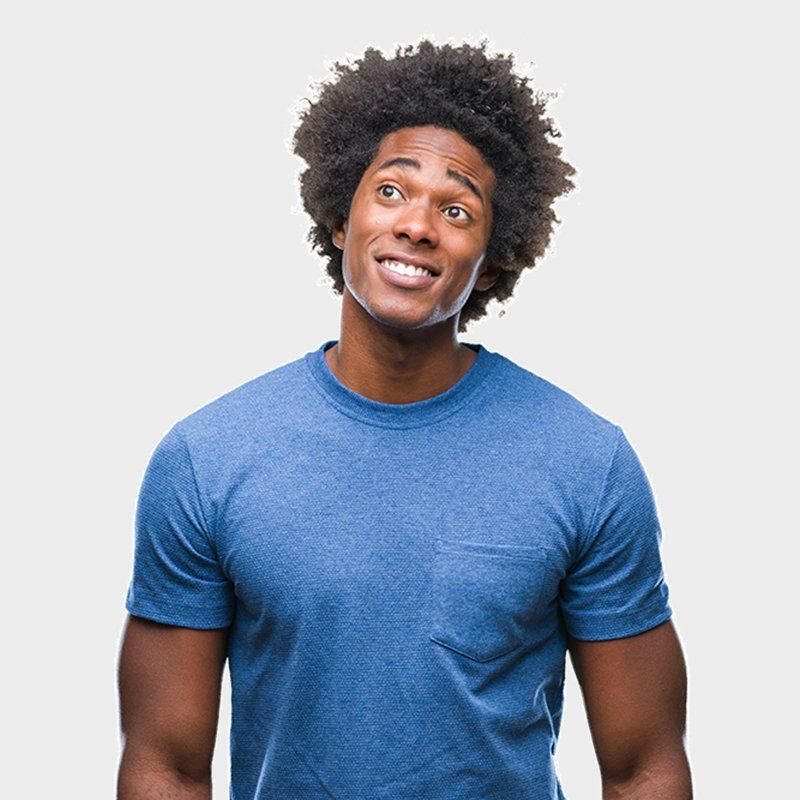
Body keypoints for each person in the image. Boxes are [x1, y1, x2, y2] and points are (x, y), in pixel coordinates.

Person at [117, 39, 692, 800]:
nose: (418, 225)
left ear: (489, 261)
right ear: (337, 219)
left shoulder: (587, 461)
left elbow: (644, 763)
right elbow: (165, 763)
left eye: (456, 209)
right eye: (391, 191)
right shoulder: (207, 459)